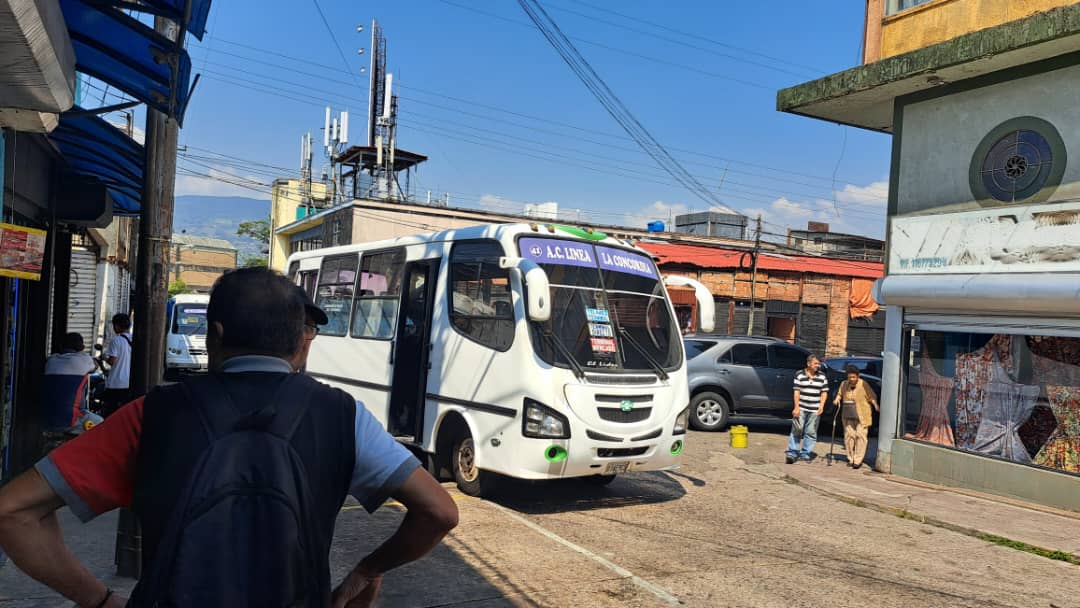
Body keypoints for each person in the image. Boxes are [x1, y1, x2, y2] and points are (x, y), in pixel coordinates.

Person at [0, 267, 458, 607]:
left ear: (214, 334)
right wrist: (367, 569)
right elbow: (439, 512)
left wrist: (99, 601)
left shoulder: (149, 415)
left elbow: (13, 512)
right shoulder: (345, 416)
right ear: (299, 340)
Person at [42, 333, 101, 434]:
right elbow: (95, 366)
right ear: (81, 347)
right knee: (100, 423)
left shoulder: (51, 360)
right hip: (70, 421)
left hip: (45, 418)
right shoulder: (85, 359)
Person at [785, 353, 828, 464]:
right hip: (802, 408)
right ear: (808, 363)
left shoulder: (822, 376)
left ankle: (805, 453)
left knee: (811, 432)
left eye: (819, 364)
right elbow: (796, 392)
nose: (818, 366)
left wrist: (821, 406)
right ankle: (792, 452)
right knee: (796, 430)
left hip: (815, 409)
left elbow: (824, 392)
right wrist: (796, 407)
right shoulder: (799, 374)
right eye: (815, 363)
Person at [834, 364, 879, 469]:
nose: (852, 379)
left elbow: (871, 396)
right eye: (850, 377)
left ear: (858, 376)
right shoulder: (844, 384)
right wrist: (837, 399)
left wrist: (876, 405)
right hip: (848, 414)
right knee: (849, 437)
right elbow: (840, 394)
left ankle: (858, 460)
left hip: (862, 415)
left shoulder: (864, 384)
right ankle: (851, 458)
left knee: (860, 436)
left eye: (854, 377)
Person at [101, 312, 133, 418]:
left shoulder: (116, 340)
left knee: (110, 414)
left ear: (117, 326)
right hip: (129, 383)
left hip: (116, 383)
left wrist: (104, 357)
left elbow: (112, 361)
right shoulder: (134, 339)